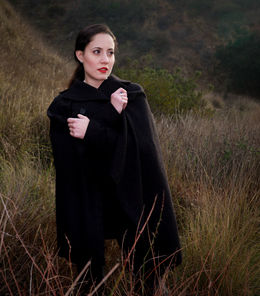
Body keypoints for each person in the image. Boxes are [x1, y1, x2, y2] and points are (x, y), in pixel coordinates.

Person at [47, 24, 182, 295]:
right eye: (96, 52)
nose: (105, 60)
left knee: (148, 277)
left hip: (129, 195)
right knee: (89, 279)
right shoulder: (64, 105)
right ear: (80, 55)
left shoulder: (130, 95)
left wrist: (94, 130)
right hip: (88, 196)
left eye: (110, 53)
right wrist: (109, 116)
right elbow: (69, 158)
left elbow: (140, 150)